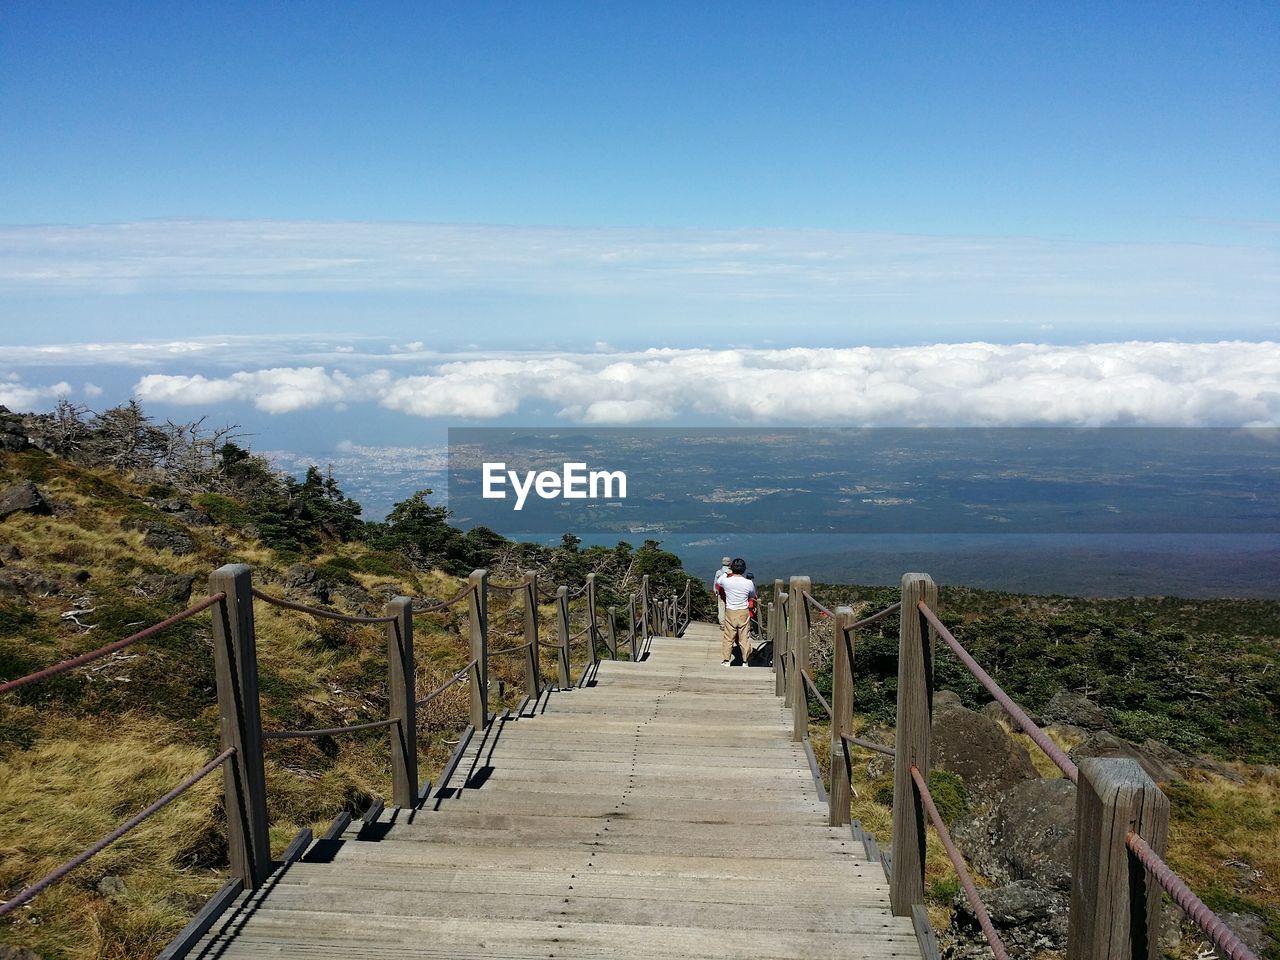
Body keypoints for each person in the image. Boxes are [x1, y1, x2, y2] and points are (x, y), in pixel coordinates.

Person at [715, 558, 756, 666]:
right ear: (744, 569)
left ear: (732, 568)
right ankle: (745, 660)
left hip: (730, 611)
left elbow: (718, 581)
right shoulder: (748, 583)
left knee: (728, 637)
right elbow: (752, 595)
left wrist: (726, 573)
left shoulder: (727, 581)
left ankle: (726, 660)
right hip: (743, 611)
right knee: (744, 637)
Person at [712, 556, 731, 625]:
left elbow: (715, 584)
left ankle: (722, 623)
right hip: (730, 594)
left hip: (721, 593)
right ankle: (729, 623)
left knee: (721, 607)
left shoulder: (718, 572)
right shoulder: (732, 573)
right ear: (729, 563)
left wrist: (716, 593)